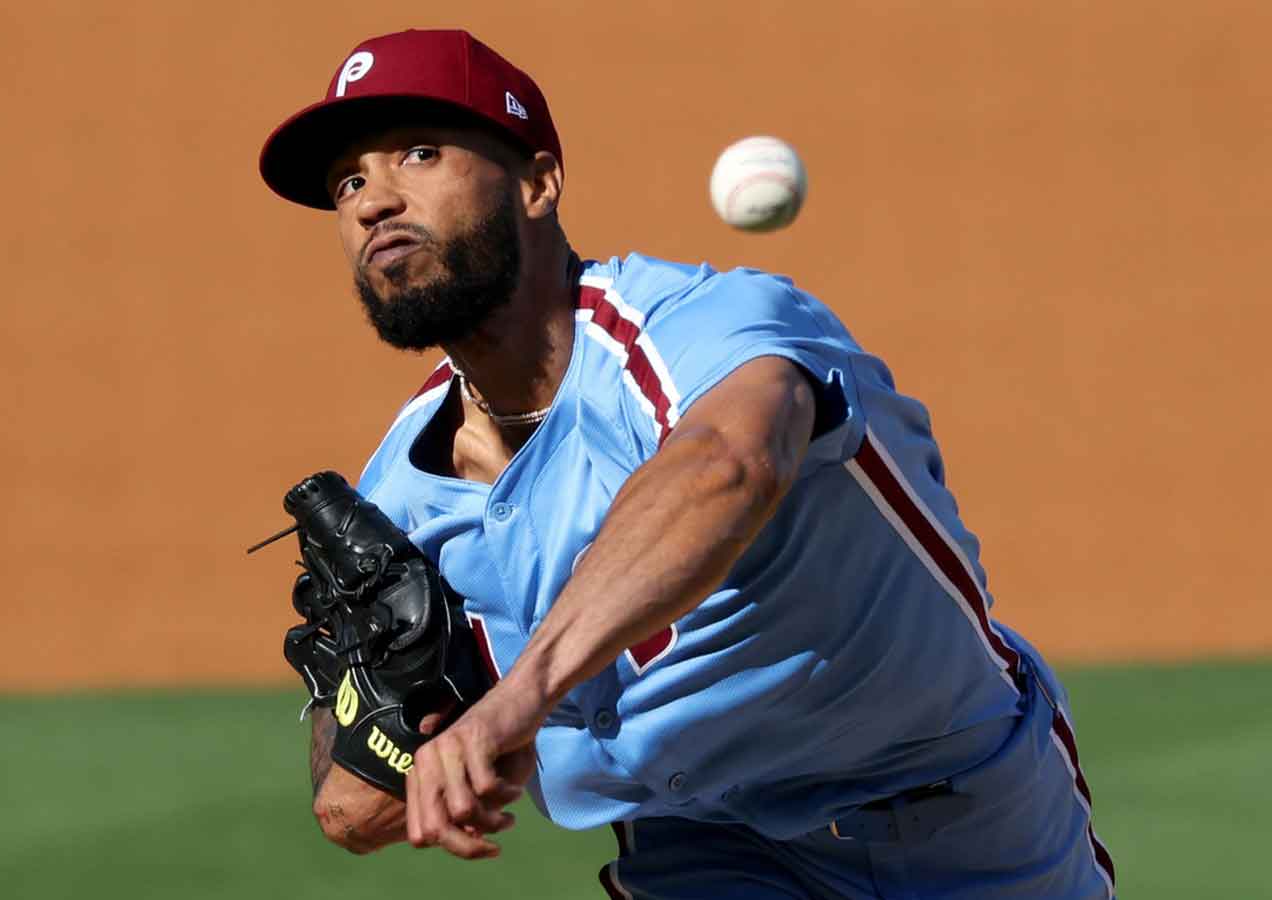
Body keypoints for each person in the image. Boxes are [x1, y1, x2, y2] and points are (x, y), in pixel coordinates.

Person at [258, 28, 1116, 899]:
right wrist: (386, 730)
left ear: (537, 182)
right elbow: (355, 813)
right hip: (705, 853)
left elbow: (727, 467)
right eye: (349, 183)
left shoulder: (699, 325)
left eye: (420, 153)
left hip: (957, 820)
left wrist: (518, 697)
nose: (373, 202)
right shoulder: (401, 498)